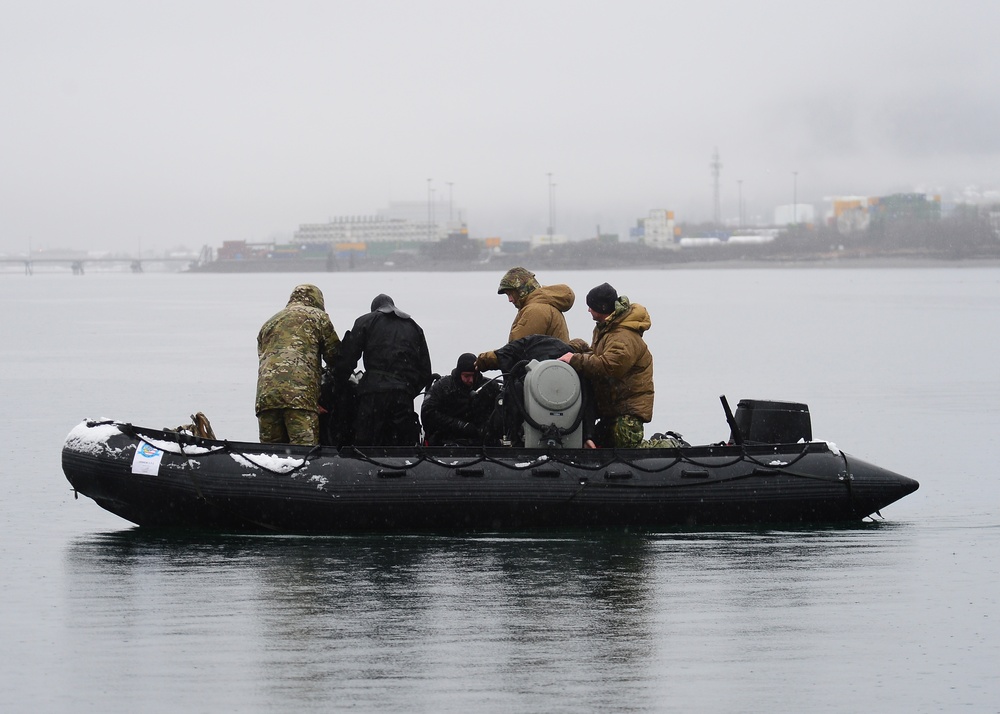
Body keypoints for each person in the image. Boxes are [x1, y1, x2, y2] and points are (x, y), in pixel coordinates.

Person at [558, 282, 653, 449]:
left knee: (629, 450)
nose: (588, 310)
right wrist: (579, 348)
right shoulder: (606, 330)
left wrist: (575, 359)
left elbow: (610, 366)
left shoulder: (623, 336)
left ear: (602, 308)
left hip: (627, 411)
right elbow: (598, 356)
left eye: (591, 307)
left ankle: (669, 445)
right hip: (612, 410)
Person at [335, 293, 432, 446]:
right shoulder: (414, 327)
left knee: (366, 444)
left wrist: (339, 385)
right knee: (401, 446)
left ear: (375, 309)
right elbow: (425, 371)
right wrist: (407, 390)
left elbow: (347, 358)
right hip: (403, 395)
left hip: (373, 393)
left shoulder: (366, 321)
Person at [255, 284, 341, 445]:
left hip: (266, 398)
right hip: (300, 399)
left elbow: (264, 358)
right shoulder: (318, 317)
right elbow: (335, 357)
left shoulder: (269, 323)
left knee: (269, 456)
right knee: (304, 454)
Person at [476, 267, 575, 371]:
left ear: (521, 290)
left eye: (510, 294)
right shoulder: (541, 306)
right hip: (551, 373)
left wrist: (485, 360)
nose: (509, 300)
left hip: (543, 377)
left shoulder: (535, 310)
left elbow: (516, 350)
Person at [421, 353, 501, 446]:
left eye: (473, 376)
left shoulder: (489, 387)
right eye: (466, 376)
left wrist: (487, 428)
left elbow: (504, 410)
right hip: (447, 441)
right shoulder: (443, 387)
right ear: (459, 374)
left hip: (482, 442)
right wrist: (460, 425)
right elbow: (428, 413)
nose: (470, 380)